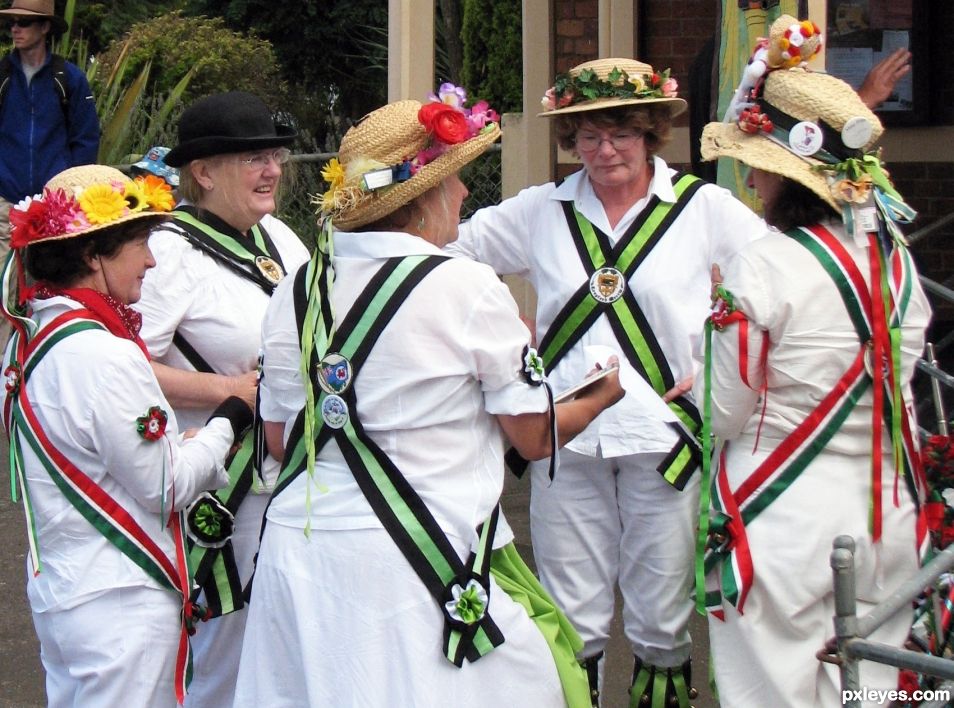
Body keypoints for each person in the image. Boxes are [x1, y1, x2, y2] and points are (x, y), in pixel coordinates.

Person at [233, 88, 624, 708]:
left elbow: (281, 440)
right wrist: (602, 395)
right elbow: (535, 436)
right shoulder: (464, 284)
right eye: (456, 180)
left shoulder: (298, 288)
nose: (466, 195)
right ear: (422, 198)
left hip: (301, 556)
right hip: (417, 556)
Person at [447, 58, 766, 706]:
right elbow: (452, 251)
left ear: (650, 134)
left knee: (662, 613)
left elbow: (768, 286)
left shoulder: (704, 210)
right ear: (572, 141)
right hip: (565, 439)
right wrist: (503, 324)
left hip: (666, 439)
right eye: (589, 135)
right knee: (571, 611)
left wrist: (715, 364)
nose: (604, 149)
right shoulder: (544, 210)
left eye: (621, 133)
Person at [697, 16, 930, 706]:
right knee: (874, 684)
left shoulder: (761, 264)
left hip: (783, 515)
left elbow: (723, 408)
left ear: (784, 175)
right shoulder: (901, 263)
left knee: (773, 687)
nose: (751, 181)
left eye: (757, 167)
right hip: (886, 507)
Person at [0, 164, 251, 706]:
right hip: (119, 599)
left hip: (65, 591)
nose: (152, 260)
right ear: (93, 254)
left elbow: (98, 458)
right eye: (140, 243)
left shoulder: (27, 341)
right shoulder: (104, 354)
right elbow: (169, 488)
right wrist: (232, 414)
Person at [135, 91, 310, 708]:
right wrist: (228, 390)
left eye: (276, 155)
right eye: (253, 158)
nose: (273, 170)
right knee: (224, 647)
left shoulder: (283, 239)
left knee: (287, 635)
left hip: (292, 470)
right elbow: (123, 368)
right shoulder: (167, 253)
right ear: (203, 173)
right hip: (221, 482)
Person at [0, 0, 99, 300]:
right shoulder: (1, 77)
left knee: (50, 293)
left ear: (45, 27)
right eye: (12, 21)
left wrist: (68, 192)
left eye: (25, 22)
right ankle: (6, 349)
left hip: (53, 209)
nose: (15, 28)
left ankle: (42, 347)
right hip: (4, 205)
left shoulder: (69, 79)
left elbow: (86, 138)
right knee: (3, 293)